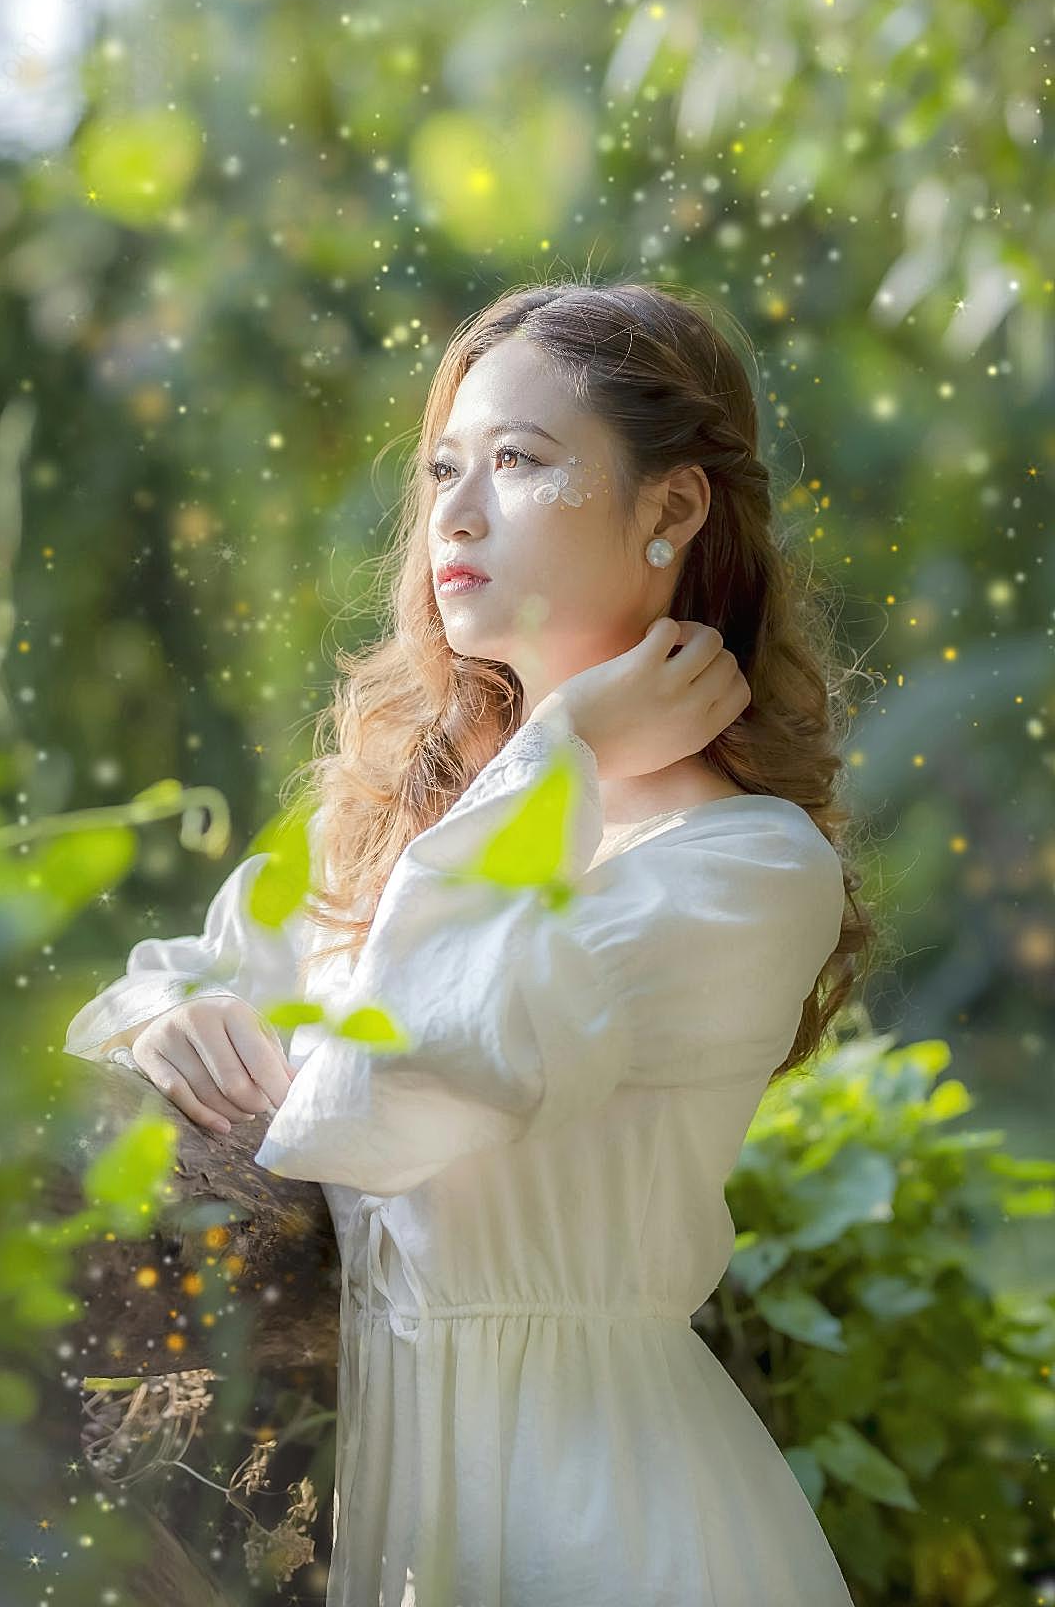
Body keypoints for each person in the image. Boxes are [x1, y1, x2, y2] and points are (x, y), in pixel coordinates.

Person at [64, 282, 869, 1605]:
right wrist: (171, 1027)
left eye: (518, 462)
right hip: (399, 1516)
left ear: (670, 510)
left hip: (605, 1526)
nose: (454, 509)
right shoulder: (396, 826)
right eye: (444, 465)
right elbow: (153, 998)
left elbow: (394, 1091)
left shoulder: (742, 869)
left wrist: (564, 753)